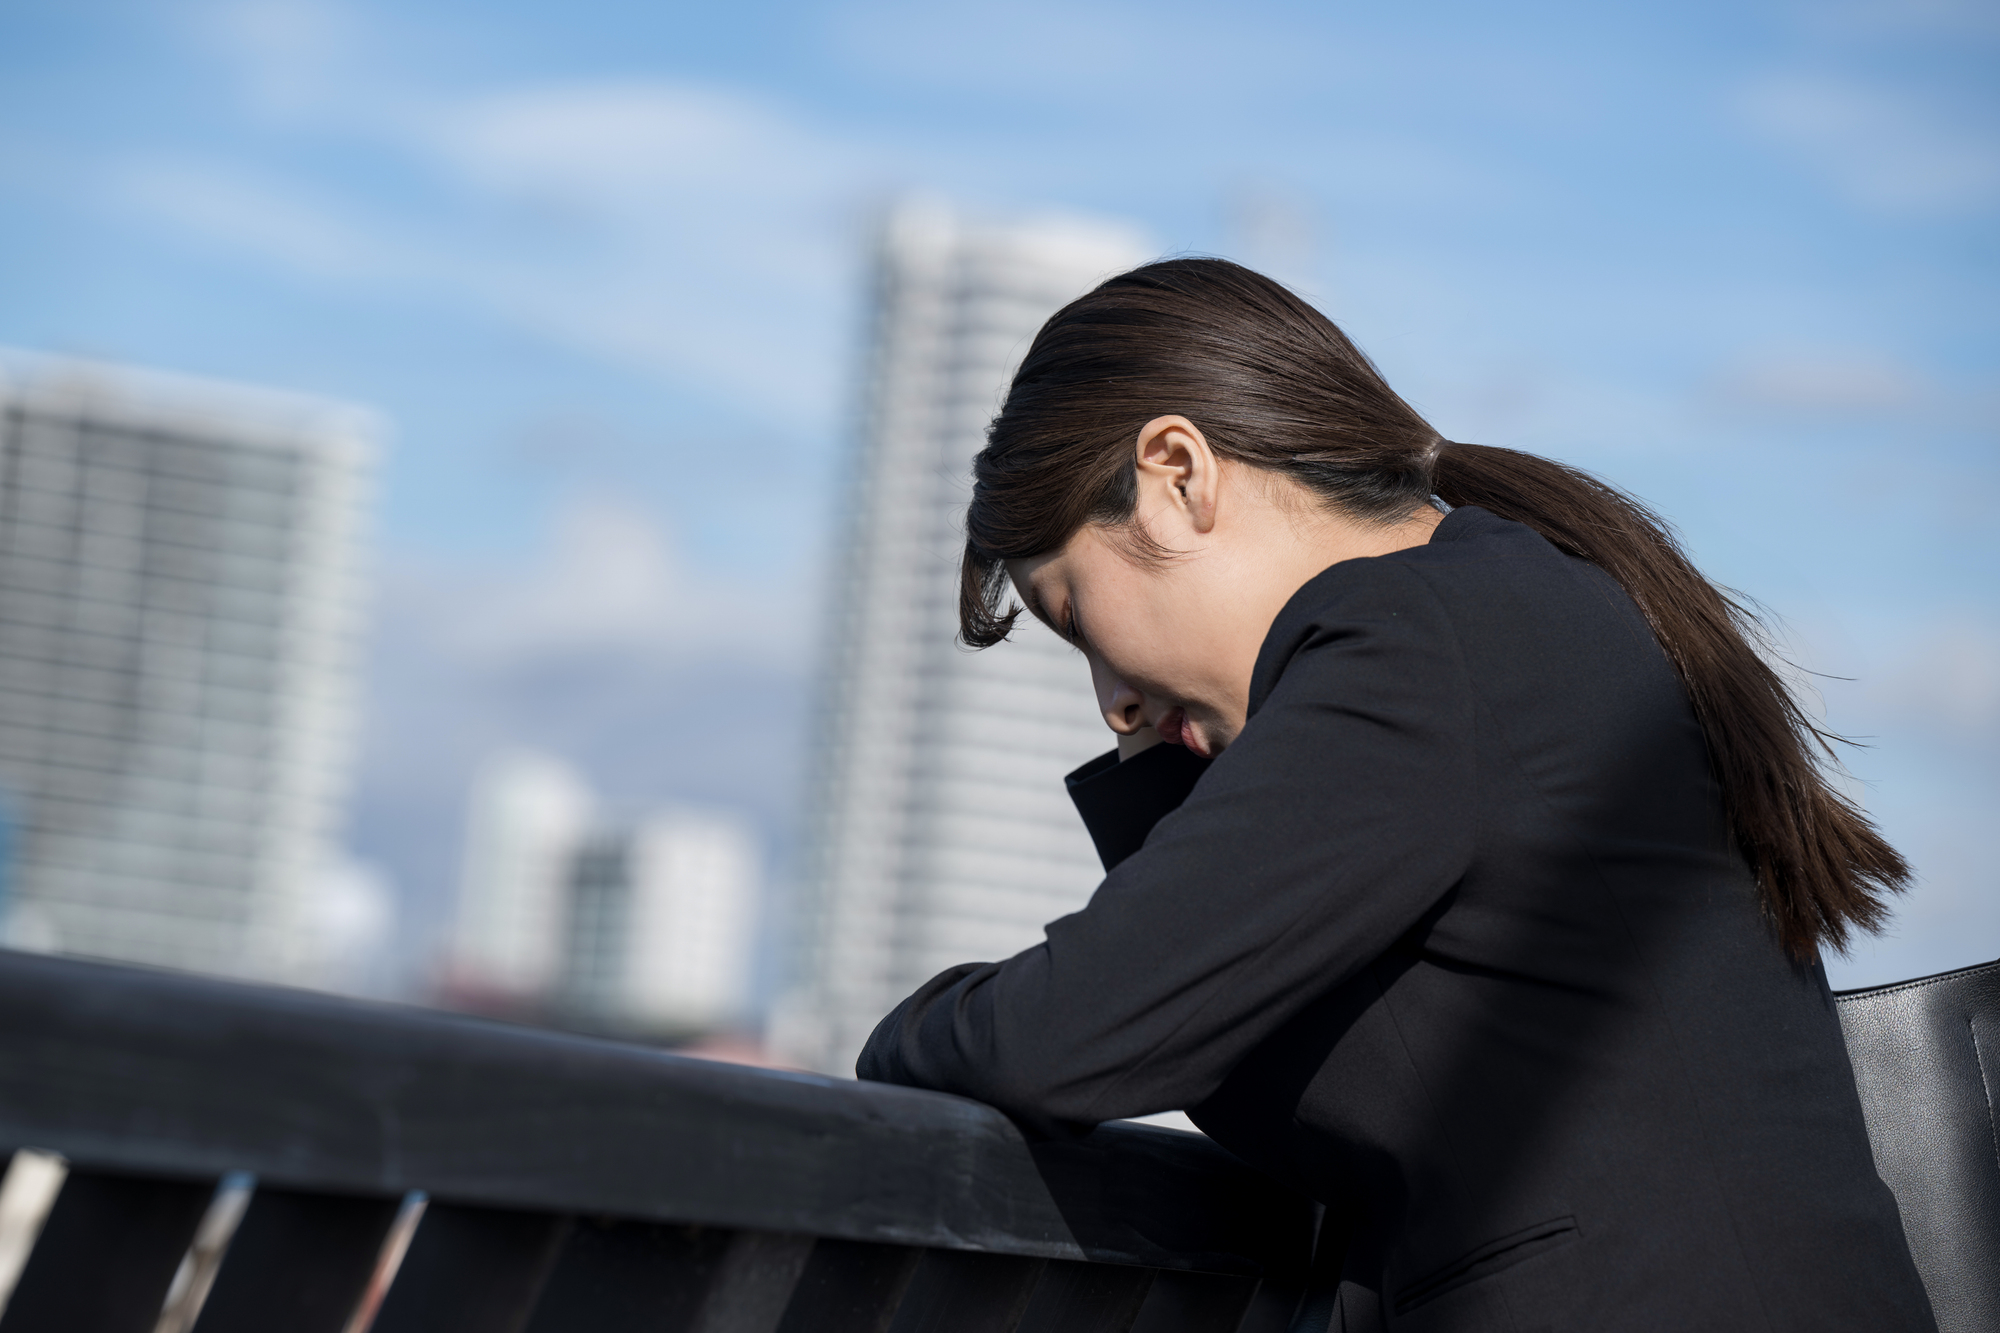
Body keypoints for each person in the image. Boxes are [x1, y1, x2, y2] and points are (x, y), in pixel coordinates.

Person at [854, 259, 1936, 1331]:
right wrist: (1165, 751)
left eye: (1077, 618)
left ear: (1178, 473)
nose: (1109, 704)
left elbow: (1067, 1036)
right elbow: (1221, 1032)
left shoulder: (1416, 641)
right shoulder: (1493, 613)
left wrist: (901, 1036)